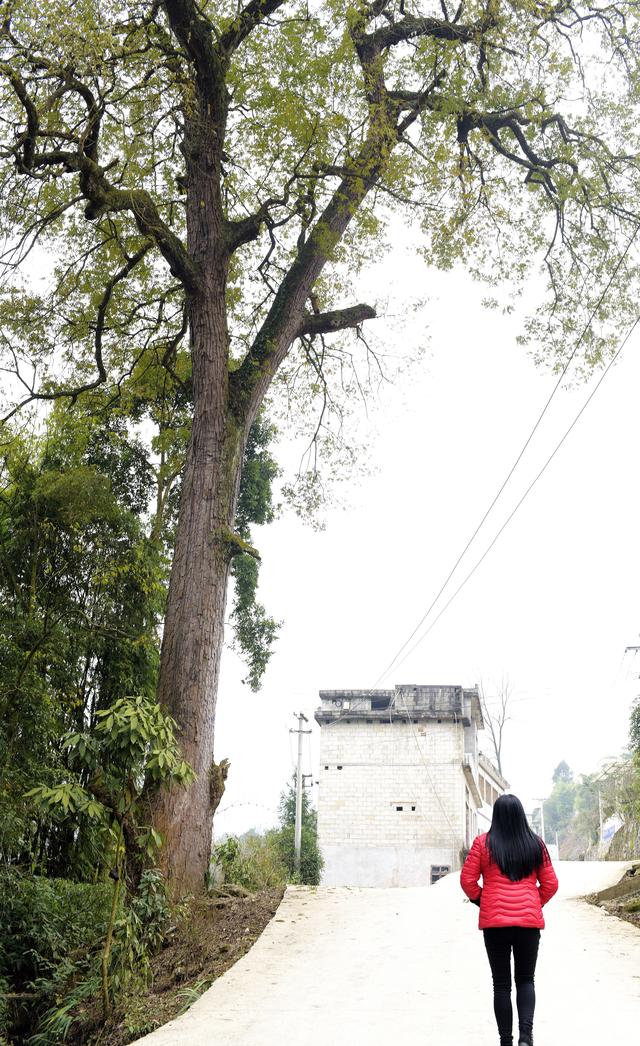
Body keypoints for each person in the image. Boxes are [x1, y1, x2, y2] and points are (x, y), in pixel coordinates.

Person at [460, 794, 559, 1046]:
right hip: (528, 925)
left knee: (501, 984)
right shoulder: (536, 844)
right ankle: (526, 1038)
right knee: (526, 980)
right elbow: (551, 884)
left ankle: (506, 1040)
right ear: (520, 815)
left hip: (495, 926)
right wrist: (533, 903)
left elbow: (467, 881)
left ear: (496, 816)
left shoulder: (483, 844)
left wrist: (482, 901)